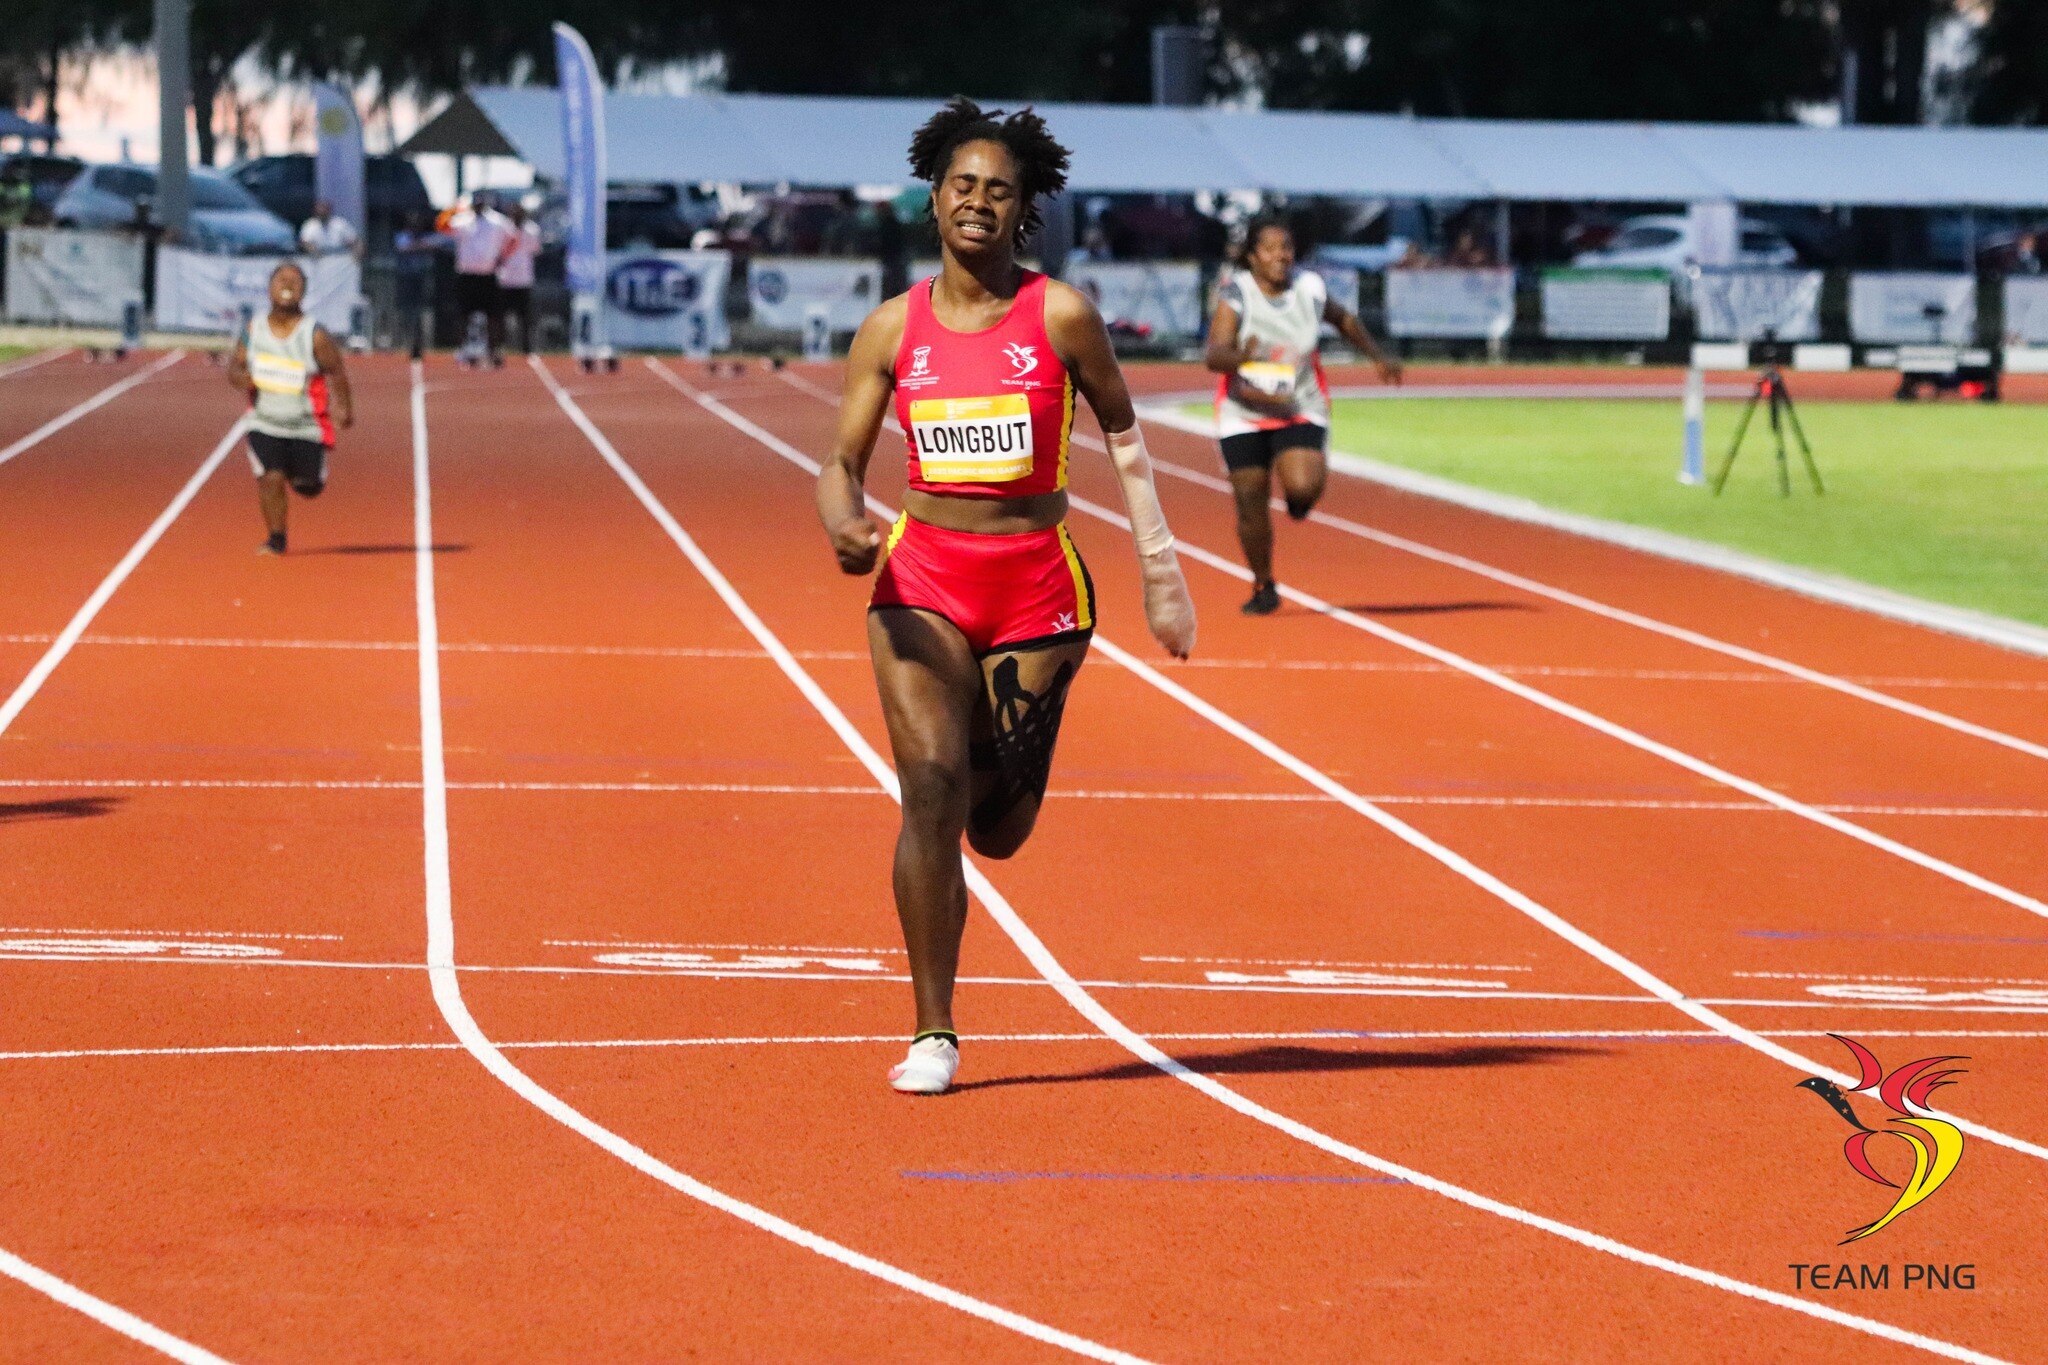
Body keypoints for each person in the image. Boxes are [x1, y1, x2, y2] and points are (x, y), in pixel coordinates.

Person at [815, 98, 1197, 1096]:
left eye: (997, 189)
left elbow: (1126, 440)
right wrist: (843, 518)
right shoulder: (891, 328)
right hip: (921, 579)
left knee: (998, 831)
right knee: (931, 788)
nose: (976, 201)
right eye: (960, 186)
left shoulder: (1060, 315)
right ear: (932, 199)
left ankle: (1007, 750)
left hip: (1037, 588)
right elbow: (839, 462)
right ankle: (932, 1030)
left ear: (1020, 208)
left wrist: (1162, 577)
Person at [1206, 214, 1401, 614]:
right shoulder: (1237, 295)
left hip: (1300, 405)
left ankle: (1299, 499)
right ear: (1253, 256)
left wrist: (1377, 357)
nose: (1280, 256)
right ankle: (1263, 585)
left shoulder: (1309, 290)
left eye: (1286, 248)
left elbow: (1343, 318)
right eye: (1270, 249)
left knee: (1302, 489)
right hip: (1244, 410)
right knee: (1249, 499)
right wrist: (1241, 356)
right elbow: (1215, 355)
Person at [226, 263, 353, 555]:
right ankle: (276, 538)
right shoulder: (253, 329)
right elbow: (235, 366)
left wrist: (344, 407)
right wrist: (240, 377)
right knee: (270, 477)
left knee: (308, 486)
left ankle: (306, 475)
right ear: (269, 287)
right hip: (264, 420)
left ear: (304, 292)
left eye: (295, 281)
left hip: (306, 424)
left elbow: (337, 371)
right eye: (281, 279)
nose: (287, 284)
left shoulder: (315, 335)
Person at [450, 192, 511, 366]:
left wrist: (502, 256)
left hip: (488, 275)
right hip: (467, 274)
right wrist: (455, 208)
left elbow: (513, 238)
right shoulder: (462, 220)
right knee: (463, 314)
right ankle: (462, 349)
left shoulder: (497, 221)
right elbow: (442, 226)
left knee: (493, 316)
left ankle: (493, 350)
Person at [391, 209, 446, 360]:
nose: (414, 226)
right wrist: (423, 246)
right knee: (403, 312)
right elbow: (404, 247)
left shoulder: (425, 237)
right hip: (405, 280)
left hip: (420, 281)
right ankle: (401, 342)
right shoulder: (401, 236)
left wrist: (426, 244)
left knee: (420, 313)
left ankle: (419, 344)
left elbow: (442, 241)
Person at [495, 200, 542, 355]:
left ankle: (527, 347)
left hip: (523, 278)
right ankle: (499, 345)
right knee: (501, 316)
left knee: (525, 317)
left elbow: (536, 249)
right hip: (505, 278)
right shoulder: (504, 228)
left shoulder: (532, 229)